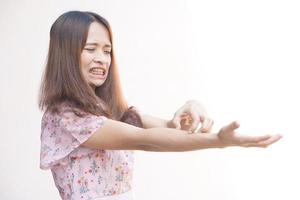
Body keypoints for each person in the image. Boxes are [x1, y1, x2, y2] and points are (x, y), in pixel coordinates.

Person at [39, 11, 282, 200]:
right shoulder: (65, 117)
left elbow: (170, 128)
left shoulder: (111, 110)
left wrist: (190, 107)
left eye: (107, 50)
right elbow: (147, 139)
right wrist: (219, 141)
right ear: (66, 55)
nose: (102, 59)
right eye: (91, 49)